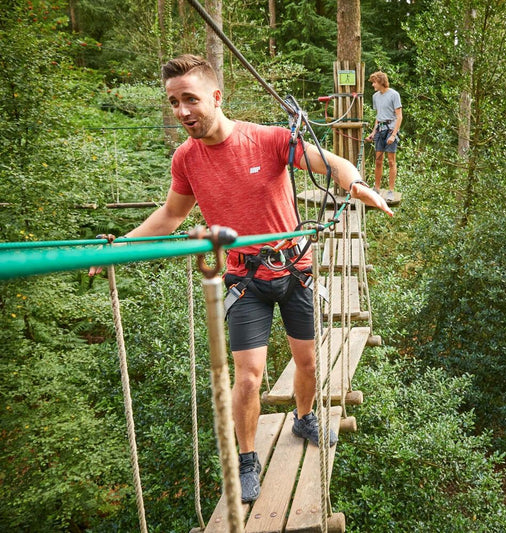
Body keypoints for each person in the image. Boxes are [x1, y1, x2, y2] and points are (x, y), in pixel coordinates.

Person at [89, 54, 393, 503]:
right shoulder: (186, 159)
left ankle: (304, 418)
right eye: (173, 102)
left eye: (190, 99)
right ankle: (247, 460)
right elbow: (171, 215)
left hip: (294, 269)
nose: (181, 111)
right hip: (244, 279)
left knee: (308, 363)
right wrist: (120, 247)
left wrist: (358, 186)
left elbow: (331, 164)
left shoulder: (267, 139)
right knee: (249, 377)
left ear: (216, 96)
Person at [365, 71, 402, 202]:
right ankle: (376, 188)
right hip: (380, 130)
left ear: (381, 82)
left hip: (391, 130)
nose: (373, 85)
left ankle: (391, 191)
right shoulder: (375, 96)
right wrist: (373, 133)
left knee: (391, 161)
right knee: (378, 160)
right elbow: (378, 116)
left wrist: (393, 135)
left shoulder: (394, 95)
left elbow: (399, 116)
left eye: (374, 82)